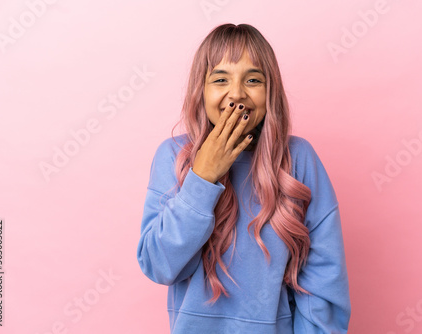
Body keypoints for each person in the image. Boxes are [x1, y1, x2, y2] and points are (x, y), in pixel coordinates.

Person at [137, 23, 351, 333]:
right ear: (201, 90)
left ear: (270, 90)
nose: (237, 94)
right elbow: (159, 265)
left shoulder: (299, 159)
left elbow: (323, 281)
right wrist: (203, 177)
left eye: (252, 80)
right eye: (220, 79)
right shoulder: (173, 156)